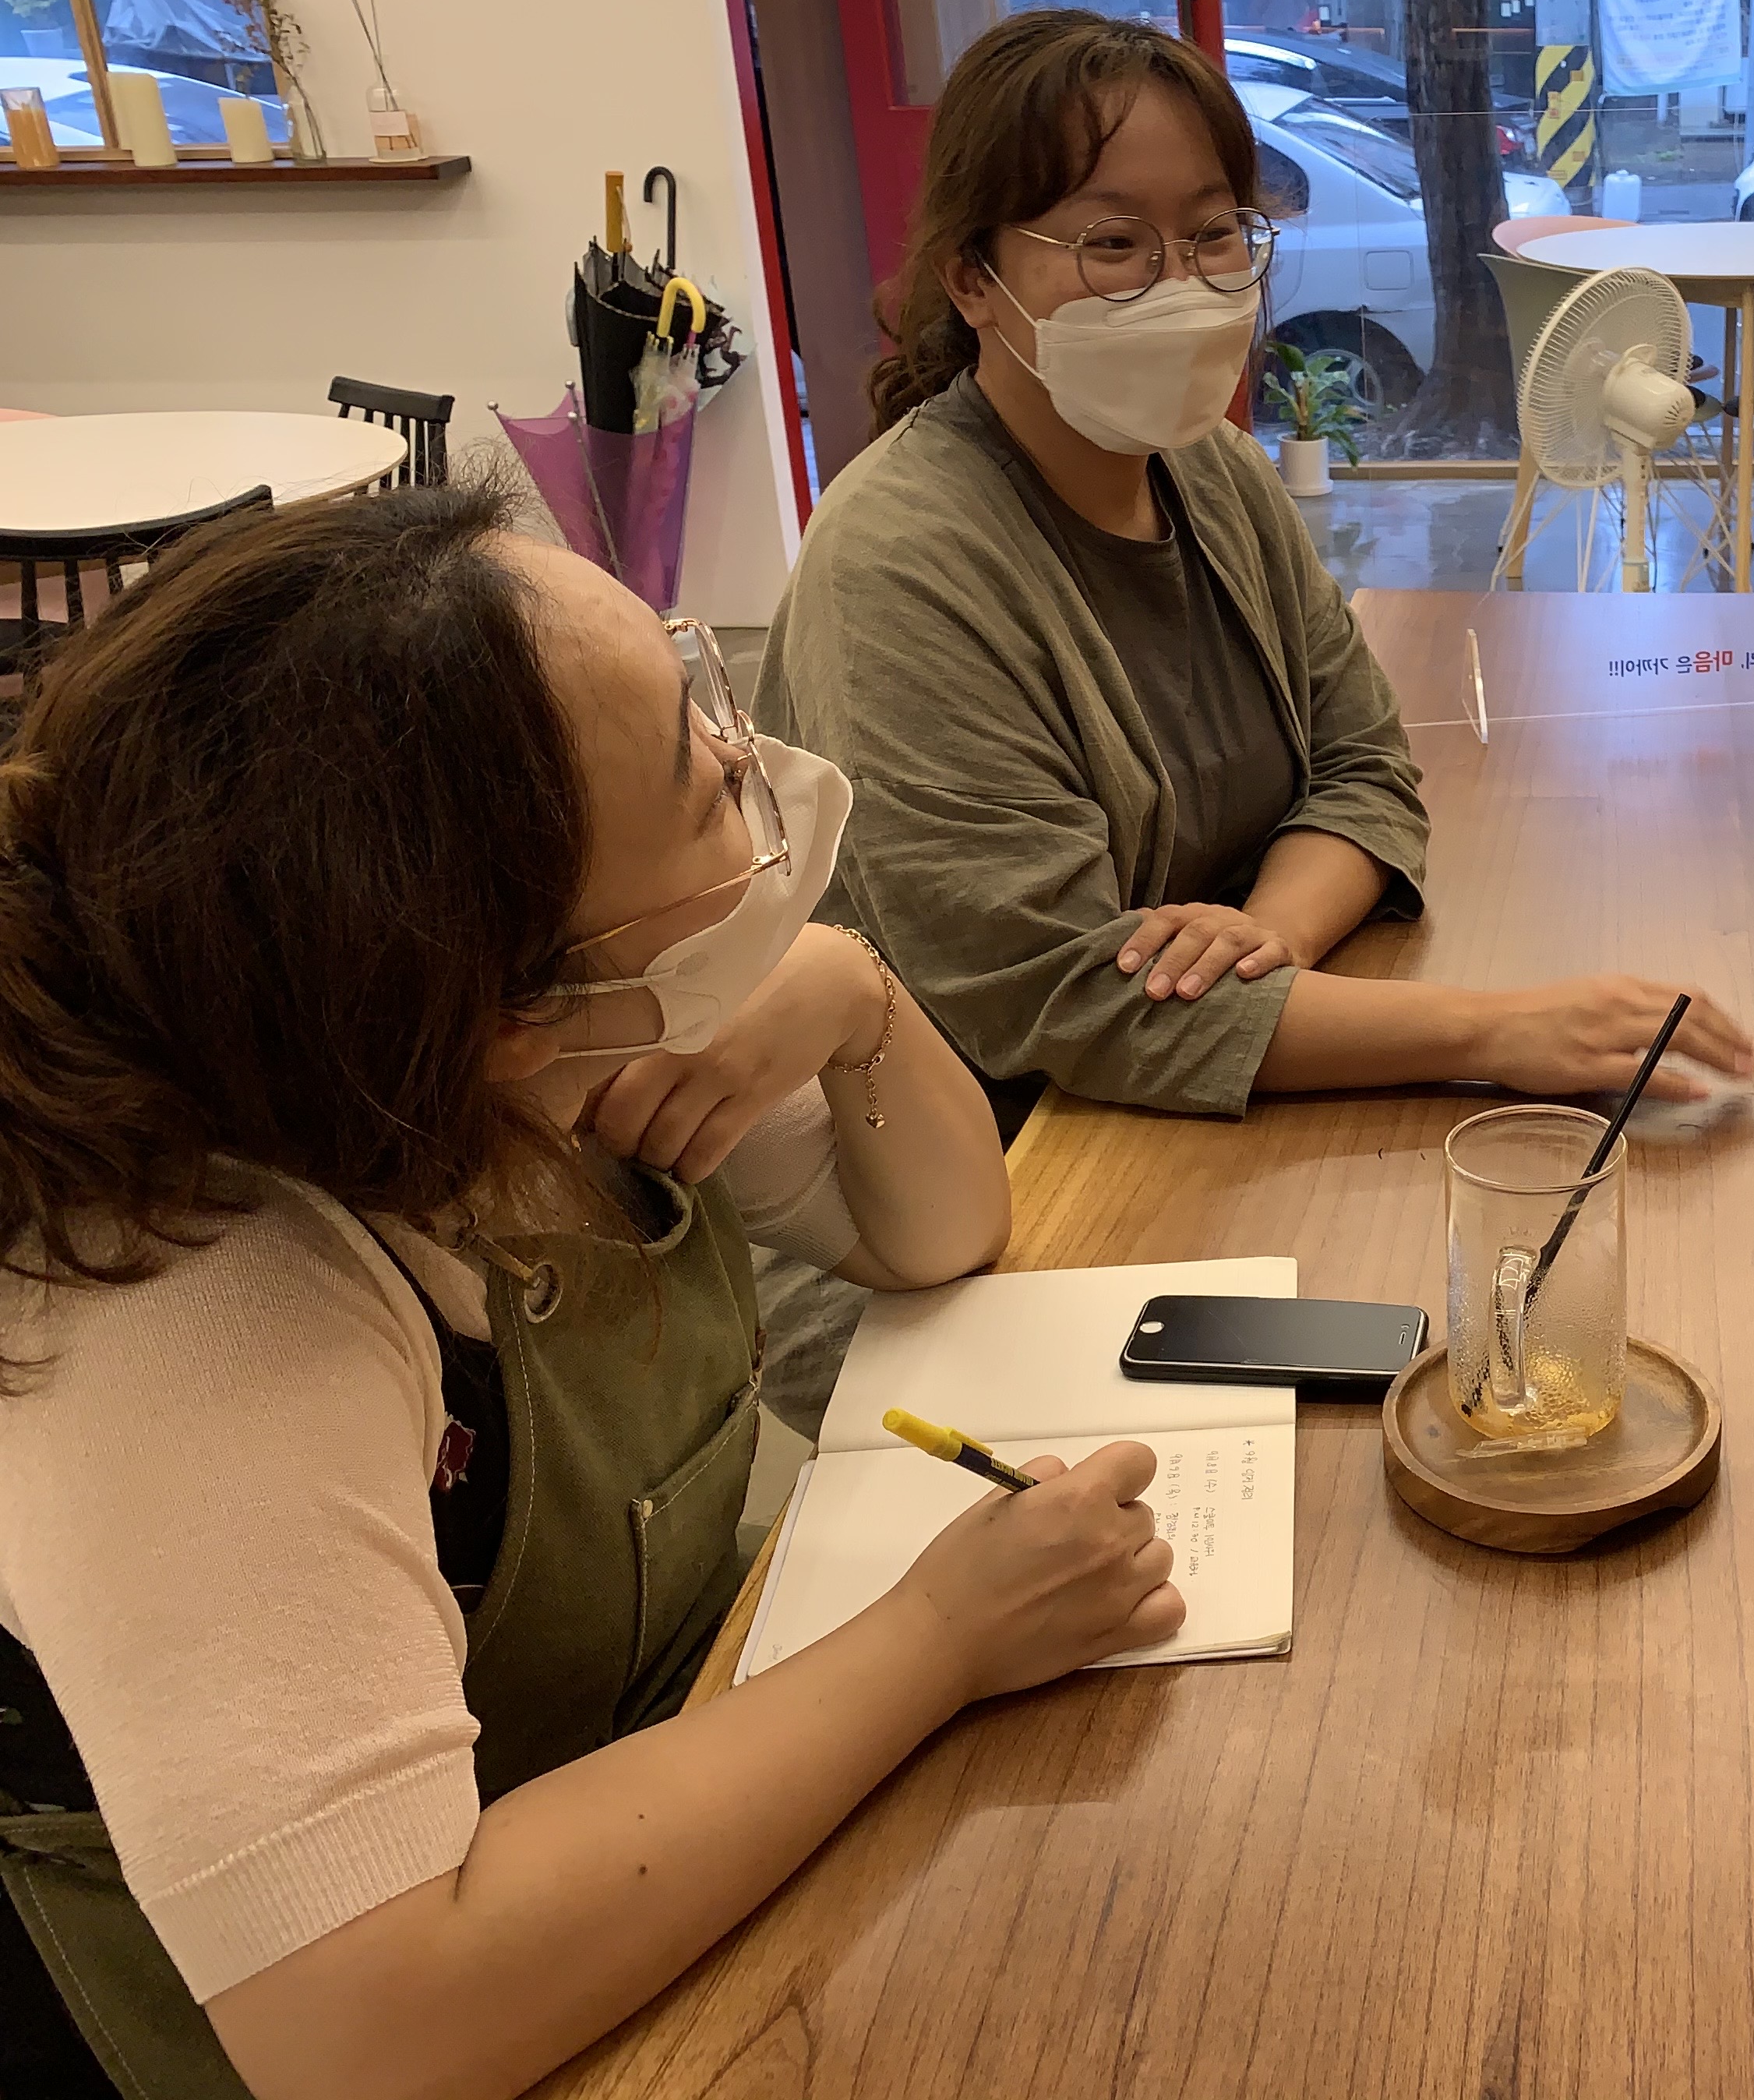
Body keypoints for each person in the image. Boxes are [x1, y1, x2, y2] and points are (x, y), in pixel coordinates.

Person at [0, 483, 1184, 2100]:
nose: (755, 767)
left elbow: (939, 1232)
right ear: (512, 1009)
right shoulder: (189, 1307)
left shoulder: (548, 1034)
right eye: (706, 778)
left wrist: (853, 997)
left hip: (653, 1814)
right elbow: (366, 2031)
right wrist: (939, 1636)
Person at [753, 7, 1754, 1429]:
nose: (1180, 283)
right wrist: (1501, 1032)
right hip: (962, 1236)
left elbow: (1363, 767)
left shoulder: (1209, 472)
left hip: (1189, 1130)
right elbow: (1065, 998)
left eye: (1215, 233)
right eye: (1114, 242)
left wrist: (1265, 942)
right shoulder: (902, 566)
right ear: (974, 278)